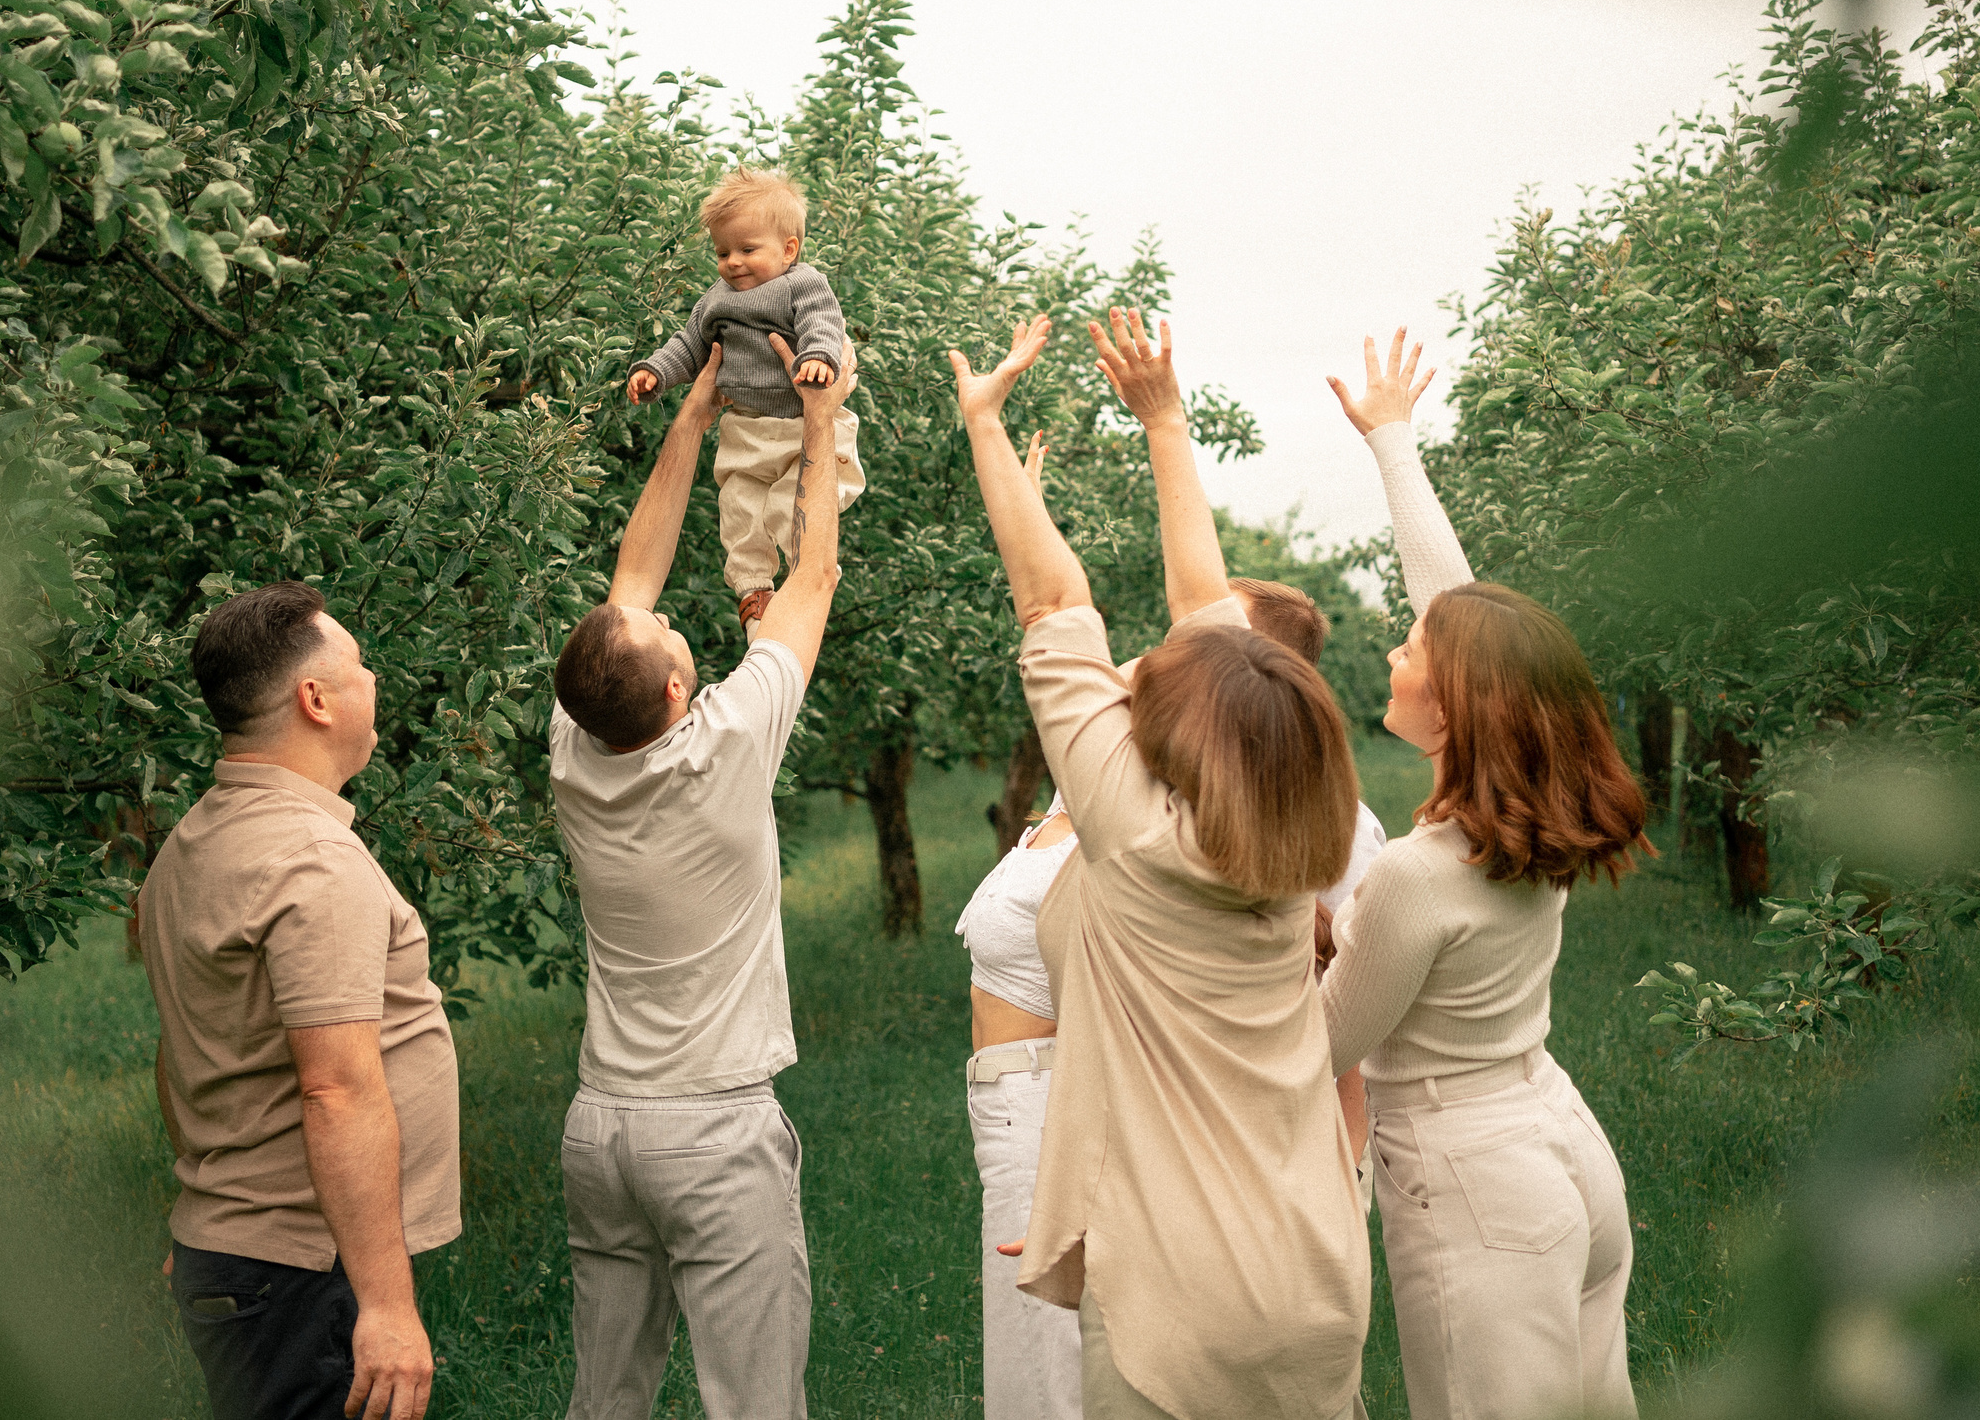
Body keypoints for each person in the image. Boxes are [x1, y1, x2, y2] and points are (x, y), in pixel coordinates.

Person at [954, 309, 1371, 1420]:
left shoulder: (1132, 831)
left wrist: (986, 431)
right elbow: (1215, 622)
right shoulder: (1294, 843)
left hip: (1177, 1300)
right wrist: (1165, 420)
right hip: (1318, 1274)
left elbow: (1054, 604)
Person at [1321, 328, 1650, 1420]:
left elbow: (1322, 1044)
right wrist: (1392, 444)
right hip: (1557, 1142)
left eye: (1414, 652)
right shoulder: (1530, 821)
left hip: (1470, 1181)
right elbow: (1459, 609)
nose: (1396, 649)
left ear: (1456, 705)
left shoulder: (1419, 872)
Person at [550, 329, 857, 1420]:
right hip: (712, 1130)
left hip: (604, 1128)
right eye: (678, 639)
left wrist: (691, 418)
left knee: (606, 1399)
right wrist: (820, 422)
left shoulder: (577, 746)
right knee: (753, 1402)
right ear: (681, 693)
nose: (674, 619)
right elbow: (812, 574)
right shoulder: (726, 746)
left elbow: (631, 580)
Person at [139, 581, 459, 1420]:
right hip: (301, 1275)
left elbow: (181, 1048)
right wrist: (387, 1307)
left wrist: (218, 1210)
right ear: (316, 698)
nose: (373, 679)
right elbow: (336, 1086)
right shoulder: (311, 859)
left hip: (242, 1255)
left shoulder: (190, 842)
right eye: (358, 664)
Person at [625, 168, 865, 637]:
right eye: (722, 252)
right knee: (739, 512)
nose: (733, 262)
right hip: (745, 427)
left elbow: (823, 322)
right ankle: (755, 591)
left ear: (789, 250)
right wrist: (656, 371)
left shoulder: (803, 283)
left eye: (747, 250)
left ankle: (806, 580)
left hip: (802, 429)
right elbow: (690, 345)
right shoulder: (716, 300)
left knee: (785, 508)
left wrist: (817, 357)